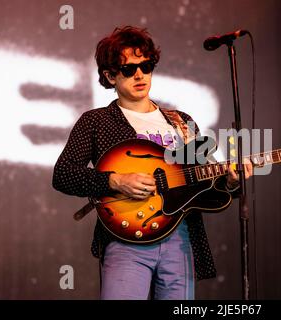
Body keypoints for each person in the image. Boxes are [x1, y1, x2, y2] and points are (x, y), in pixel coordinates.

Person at [52, 26, 252, 300]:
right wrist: (114, 180)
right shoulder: (96, 121)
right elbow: (63, 174)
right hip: (126, 241)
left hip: (181, 240)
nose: (139, 75)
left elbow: (208, 182)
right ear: (110, 76)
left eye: (146, 66)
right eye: (128, 69)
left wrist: (230, 180)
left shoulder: (181, 121)